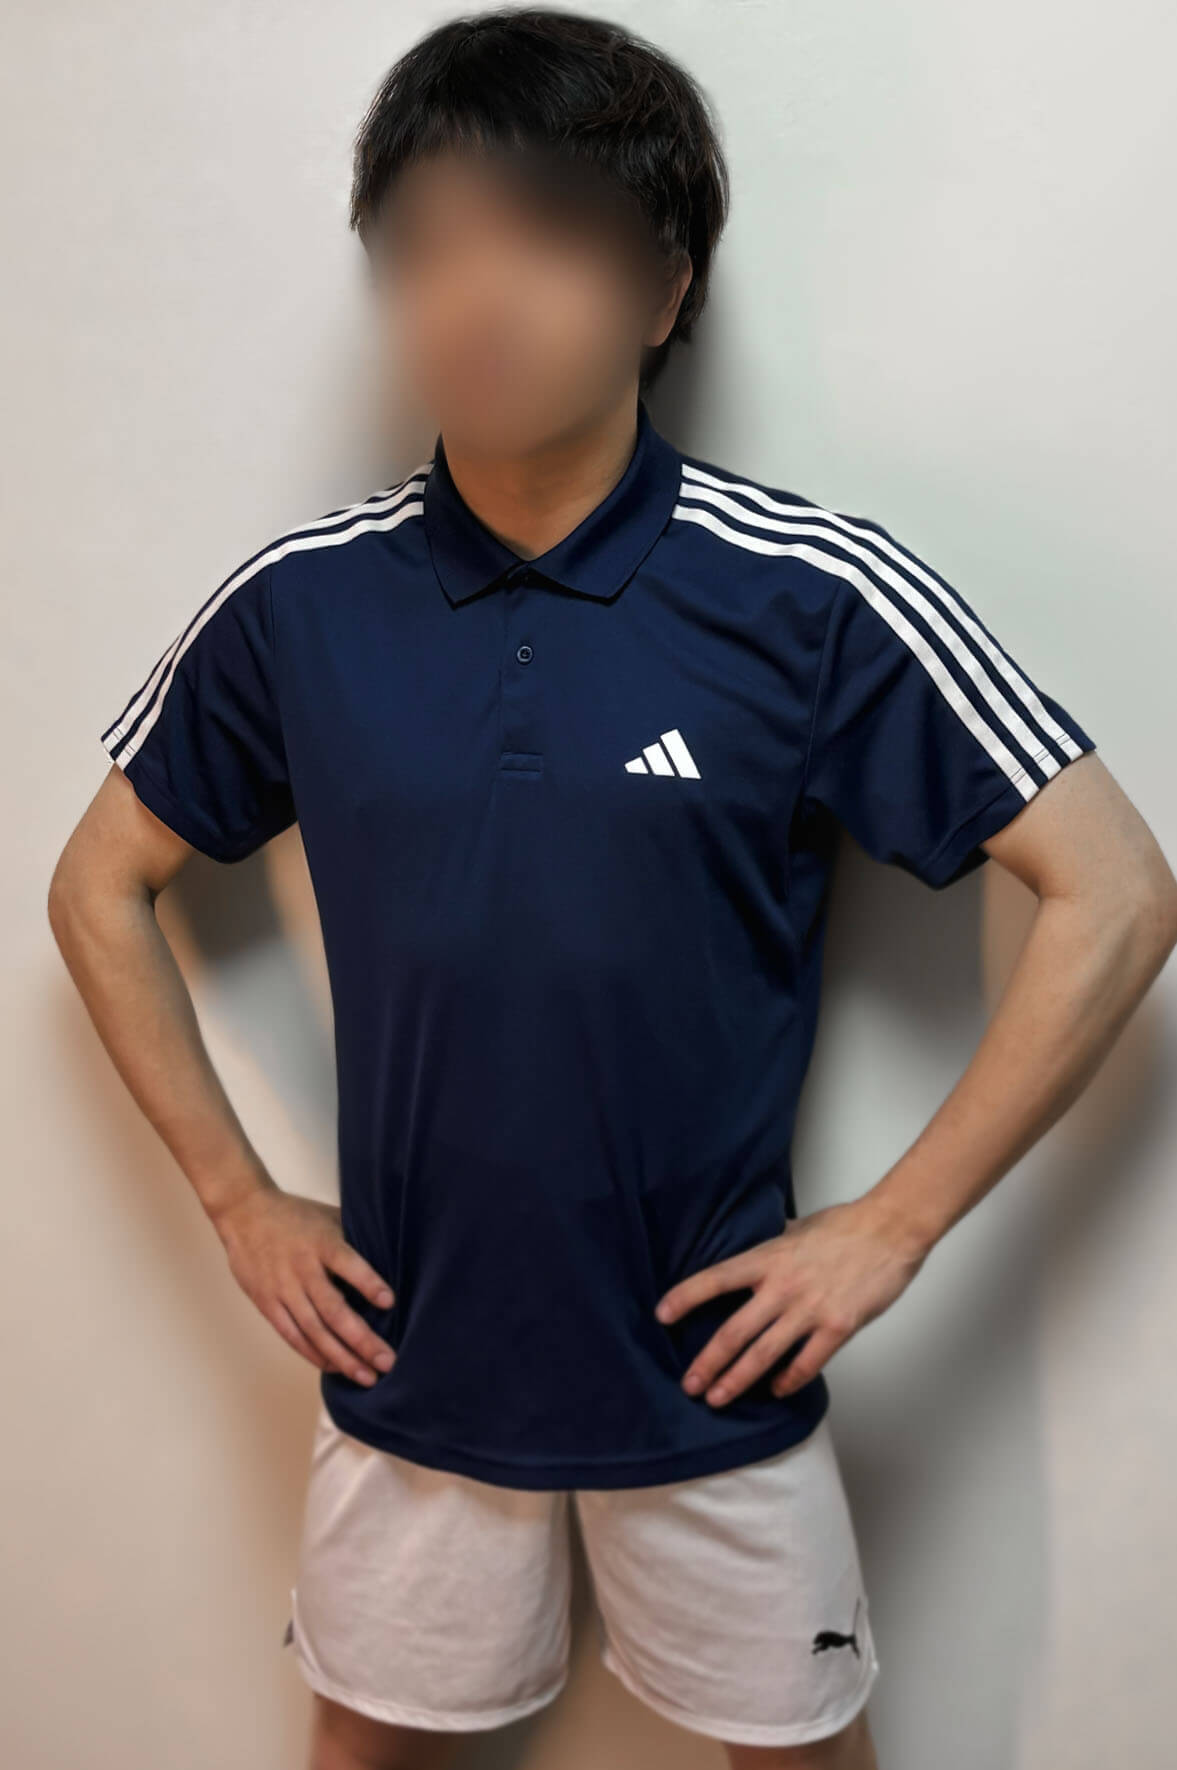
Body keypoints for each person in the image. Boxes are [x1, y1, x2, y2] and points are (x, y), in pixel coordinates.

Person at [48, 9, 1176, 1770]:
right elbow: (96, 886)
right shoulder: (300, 605)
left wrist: (888, 1225)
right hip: (411, 1365)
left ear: (662, 287)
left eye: (541, 234)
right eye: (424, 244)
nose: (473, 296)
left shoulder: (804, 592)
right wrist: (236, 1196)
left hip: (712, 1376)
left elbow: (1113, 889)